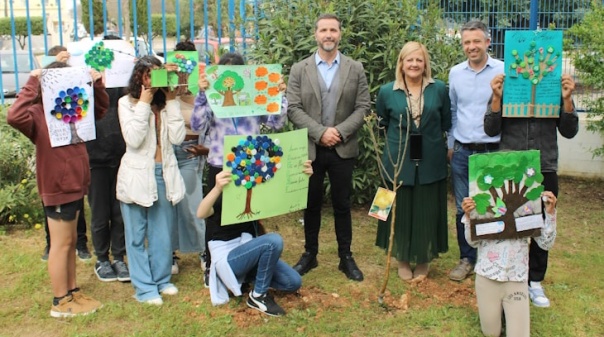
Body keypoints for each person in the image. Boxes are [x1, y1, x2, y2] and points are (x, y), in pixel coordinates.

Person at [7, 61, 108, 317]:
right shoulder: (38, 115)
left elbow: (100, 111)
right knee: (61, 244)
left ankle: (72, 291)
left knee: (71, 241)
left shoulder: (72, 106)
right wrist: (33, 81)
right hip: (58, 186)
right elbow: (13, 116)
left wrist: (96, 83)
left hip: (76, 183)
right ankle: (60, 301)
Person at [191, 52, 288, 285]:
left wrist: (279, 95)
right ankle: (211, 263)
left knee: (249, 212)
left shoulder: (255, 94)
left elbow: (276, 122)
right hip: (220, 164)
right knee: (216, 218)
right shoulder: (213, 95)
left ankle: (250, 260)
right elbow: (197, 125)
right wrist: (203, 94)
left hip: (250, 162)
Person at [287, 13, 370, 281]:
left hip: (342, 148)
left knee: (342, 204)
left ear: (340, 34)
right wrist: (320, 132)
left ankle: (345, 257)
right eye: (323, 30)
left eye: (333, 30)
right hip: (310, 149)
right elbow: (293, 108)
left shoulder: (354, 68)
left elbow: (363, 107)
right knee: (310, 204)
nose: (328, 35)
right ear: (316, 34)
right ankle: (310, 254)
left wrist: (340, 132)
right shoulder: (300, 69)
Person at [484, 73, 579, 307]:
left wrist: (567, 99)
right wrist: (497, 97)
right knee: (509, 222)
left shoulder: (553, 87)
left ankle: (535, 280)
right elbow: (490, 129)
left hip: (544, 166)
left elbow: (569, 131)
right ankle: (507, 275)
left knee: (541, 223)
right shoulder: (507, 87)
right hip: (512, 167)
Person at [374, 42, 451, 281]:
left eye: (419, 60)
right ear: (401, 63)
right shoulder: (387, 91)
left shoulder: (439, 89)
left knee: (427, 209)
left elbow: (446, 123)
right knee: (393, 207)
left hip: (431, 160)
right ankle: (401, 258)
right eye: (410, 60)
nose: (414, 64)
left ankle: (424, 258)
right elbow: (381, 124)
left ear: (425, 63)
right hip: (395, 160)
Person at [196, 162, 312, 316]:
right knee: (273, 241)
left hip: (250, 254)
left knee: (293, 282)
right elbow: (201, 213)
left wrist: (303, 176)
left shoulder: (256, 193)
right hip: (229, 258)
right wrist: (217, 188)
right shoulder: (225, 195)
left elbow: (284, 196)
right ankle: (258, 295)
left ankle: (249, 280)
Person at [117, 56, 185, 305]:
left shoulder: (165, 104)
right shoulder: (126, 103)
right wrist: (144, 104)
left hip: (163, 173)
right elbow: (133, 139)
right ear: (139, 77)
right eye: (148, 75)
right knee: (136, 234)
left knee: (162, 233)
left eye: (157, 74)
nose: (152, 80)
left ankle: (161, 279)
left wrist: (171, 98)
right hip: (136, 174)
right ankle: (145, 288)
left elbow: (178, 138)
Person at [447, 20, 504, 282]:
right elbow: (453, 111)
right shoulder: (455, 73)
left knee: (494, 205)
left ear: (487, 42)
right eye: (467, 42)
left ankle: (492, 258)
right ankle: (467, 258)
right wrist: (451, 144)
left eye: (476, 41)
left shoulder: (503, 71)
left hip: (493, 150)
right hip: (462, 151)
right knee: (464, 208)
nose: (472, 47)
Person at [462, 192, 558, 336]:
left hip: (516, 278)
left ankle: (509, 313)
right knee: (491, 333)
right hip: (487, 277)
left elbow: (545, 244)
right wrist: (470, 216)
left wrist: (550, 214)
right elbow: (472, 242)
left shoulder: (528, 202)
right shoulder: (484, 196)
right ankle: (499, 314)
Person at [41, 45, 92, 262]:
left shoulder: (75, 95)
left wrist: (94, 82)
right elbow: (16, 116)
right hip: (55, 172)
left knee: (75, 209)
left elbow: (95, 109)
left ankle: (80, 243)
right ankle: (51, 244)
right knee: (55, 215)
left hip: (74, 168)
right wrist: (43, 73)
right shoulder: (42, 104)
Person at [86, 36, 130, 282]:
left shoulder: (124, 80)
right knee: (100, 212)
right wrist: (90, 80)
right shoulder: (86, 77)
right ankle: (102, 259)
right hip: (95, 156)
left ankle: (119, 258)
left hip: (122, 154)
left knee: (120, 210)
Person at [165, 40, 208, 275]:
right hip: (169, 150)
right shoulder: (167, 83)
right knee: (170, 204)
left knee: (193, 204)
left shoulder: (203, 84)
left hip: (192, 151)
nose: (186, 68)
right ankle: (171, 252)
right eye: (182, 61)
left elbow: (210, 119)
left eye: (190, 61)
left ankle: (203, 249)